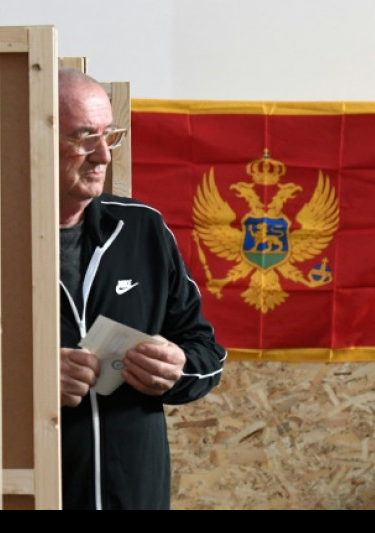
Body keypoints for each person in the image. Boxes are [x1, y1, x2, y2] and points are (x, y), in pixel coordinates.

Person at [57, 67, 226, 510]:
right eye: (82, 138)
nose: (102, 157)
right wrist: (24, 386)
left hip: (133, 493)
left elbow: (206, 353)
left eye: (108, 136)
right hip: (27, 490)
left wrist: (177, 368)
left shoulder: (142, 229)